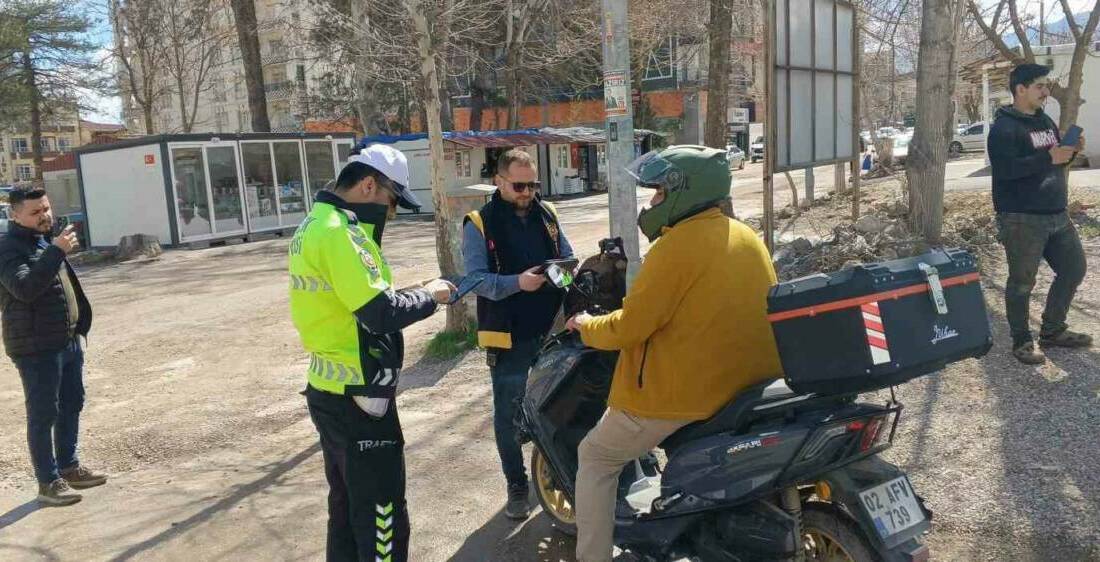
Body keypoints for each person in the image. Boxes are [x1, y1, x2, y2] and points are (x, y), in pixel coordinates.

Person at [564, 145, 782, 562]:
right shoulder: (746, 236)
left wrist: (586, 326)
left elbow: (629, 327)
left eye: (659, 192)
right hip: (749, 384)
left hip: (683, 397)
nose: (652, 202)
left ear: (683, 191)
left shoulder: (675, 247)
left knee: (594, 456)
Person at [289, 144, 455, 562]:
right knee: (382, 514)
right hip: (362, 399)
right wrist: (430, 295)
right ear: (368, 185)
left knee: (345, 510)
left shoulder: (314, 223)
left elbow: (356, 302)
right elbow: (380, 314)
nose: (393, 212)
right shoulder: (340, 233)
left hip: (329, 388)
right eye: (392, 200)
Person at [461, 148, 574, 519]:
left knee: (559, 407)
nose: (528, 192)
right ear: (499, 181)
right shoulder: (479, 222)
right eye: (520, 185)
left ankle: (559, 475)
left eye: (533, 184)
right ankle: (517, 485)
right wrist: (517, 283)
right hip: (508, 335)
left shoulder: (548, 214)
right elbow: (475, 279)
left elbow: (567, 259)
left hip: (553, 329)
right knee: (509, 414)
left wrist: (566, 275)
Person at [0, 186, 105, 506]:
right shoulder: (7, 247)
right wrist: (57, 251)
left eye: (45, 208)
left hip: (67, 339)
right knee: (44, 413)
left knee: (71, 403)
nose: (44, 215)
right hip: (36, 347)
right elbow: (25, 288)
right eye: (35, 212)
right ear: (14, 214)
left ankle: (69, 467)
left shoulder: (44, 240)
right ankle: (48, 482)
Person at [988, 63, 1090, 365]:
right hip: (1022, 218)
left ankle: (1053, 330)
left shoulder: (1043, 120)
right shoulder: (1003, 128)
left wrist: (1067, 152)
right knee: (1022, 282)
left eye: (1047, 85)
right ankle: (1022, 342)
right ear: (1020, 89)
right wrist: (1048, 156)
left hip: (1057, 213)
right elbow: (1006, 171)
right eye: (1040, 87)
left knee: (1074, 269)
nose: (1046, 92)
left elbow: (1051, 161)